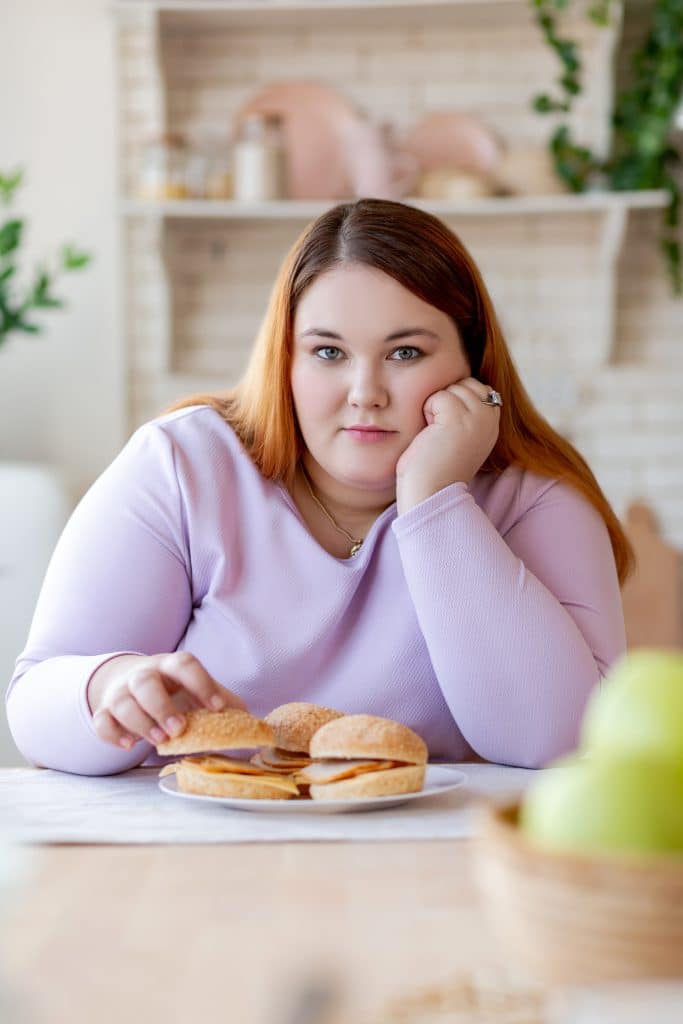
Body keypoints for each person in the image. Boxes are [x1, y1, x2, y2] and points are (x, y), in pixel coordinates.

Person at [6, 199, 632, 776]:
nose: (366, 393)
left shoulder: (537, 500)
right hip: (206, 858)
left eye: (406, 353)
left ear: (472, 361)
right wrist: (109, 685)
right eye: (328, 353)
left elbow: (564, 742)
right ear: (287, 360)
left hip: (438, 868)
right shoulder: (183, 467)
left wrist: (437, 500)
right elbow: (33, 703)